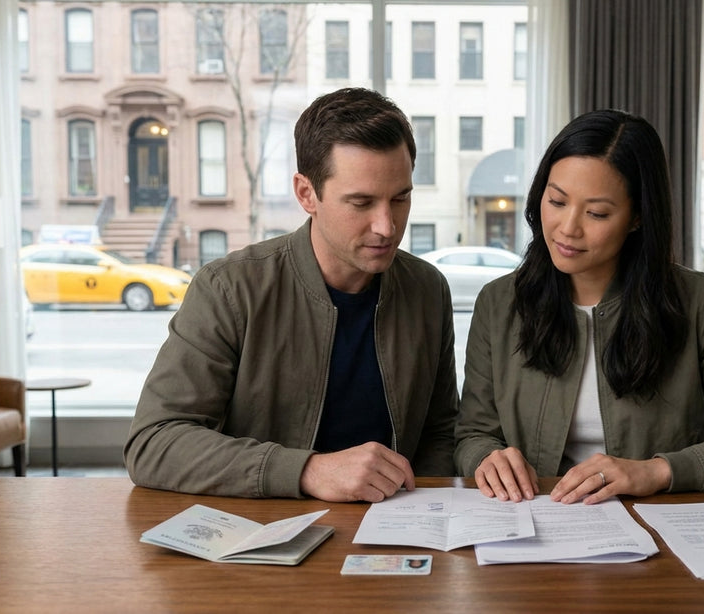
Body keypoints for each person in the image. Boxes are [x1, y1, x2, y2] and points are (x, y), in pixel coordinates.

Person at [454, 109, 704, 505]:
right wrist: (486, 457)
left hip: (657, 527)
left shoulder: (698, 302)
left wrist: (658, 471)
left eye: (597, 213)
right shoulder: (500, 303)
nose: (568, 228)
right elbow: (472, 433)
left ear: (637, 217)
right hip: (533, 522)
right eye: (556, 201)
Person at [125, 88, 459, 502]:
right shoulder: (229, 288)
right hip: (260, 535)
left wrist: (421, 515)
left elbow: (441, 432)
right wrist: (306, 471)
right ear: (306, 194)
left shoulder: (428, 290)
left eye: (401, 198)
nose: (387, 226)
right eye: (361, 202)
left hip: (396, 531)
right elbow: (154, 443)